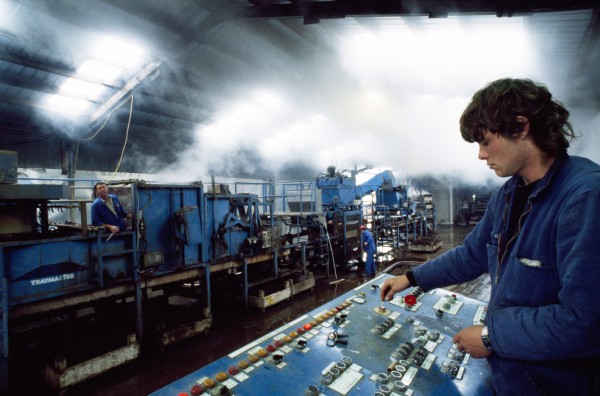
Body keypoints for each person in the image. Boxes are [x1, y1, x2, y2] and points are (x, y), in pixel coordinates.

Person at [380, 78, 600, 395]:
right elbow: (472, 254)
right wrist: (413, 278)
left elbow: (584, 323)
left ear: (521, 127)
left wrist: (490, 336)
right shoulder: (510, 194)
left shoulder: (584, 197)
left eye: (485, 142)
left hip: (557, 384)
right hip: (513, 374)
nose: (481, 156)